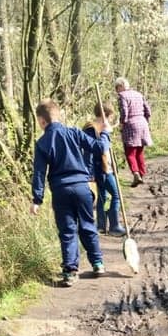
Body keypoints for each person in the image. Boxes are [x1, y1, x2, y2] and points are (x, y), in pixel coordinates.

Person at [30, 98, 108, 287]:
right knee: (88, 225)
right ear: (59, 115)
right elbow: (99, 148)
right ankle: (97, 263)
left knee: (67, 230)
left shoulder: (42, 143)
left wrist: (37, 199)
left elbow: (39, 173)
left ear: (42, 121)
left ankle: (70, 271)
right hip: (82, 187)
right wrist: (105, 133)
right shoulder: (74, 132)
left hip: (61, 191)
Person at [83, 101, 126, 237]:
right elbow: (93, 150)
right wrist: (90, 174)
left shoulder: (99, 127)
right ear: (105, 115)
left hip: (104, 167)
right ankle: (114, 226)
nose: (110, 120)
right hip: (101, 169)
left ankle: (101, 226)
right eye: (110, 117)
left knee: (103, 196)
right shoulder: (92, 129)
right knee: (115, 195)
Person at [114, 77, 153, 187]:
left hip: (131, 125)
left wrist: (122, 123)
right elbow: (148, 111)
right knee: (139, 151)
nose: (117, 91)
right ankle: (141, 173)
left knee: (130, 152)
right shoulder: (138, 94)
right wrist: (145, 120)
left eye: (117, 88)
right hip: (142, 123)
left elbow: (124, 112)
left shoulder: (122, 96)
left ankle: (136, 173)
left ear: (121, 86)